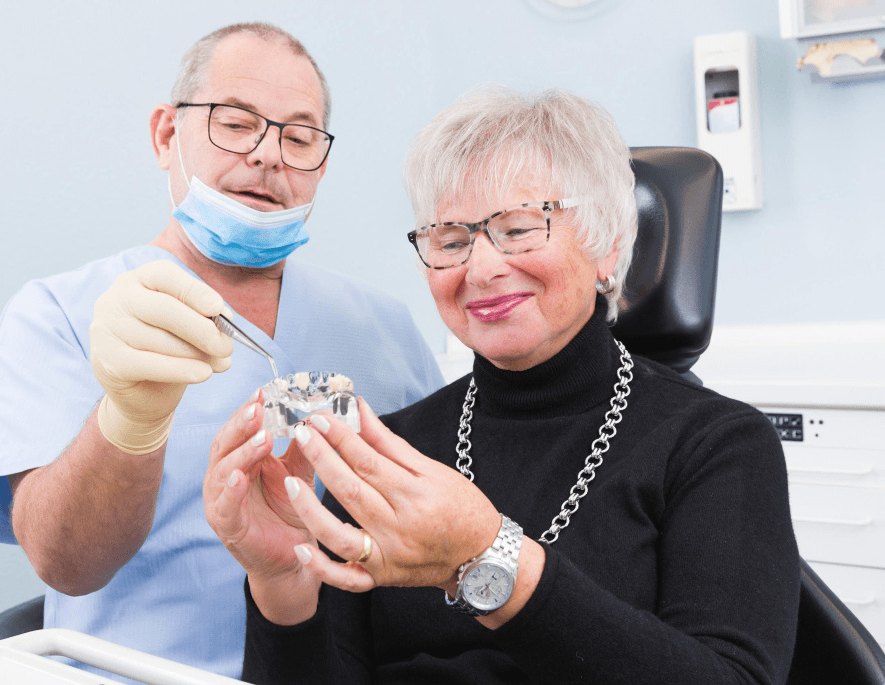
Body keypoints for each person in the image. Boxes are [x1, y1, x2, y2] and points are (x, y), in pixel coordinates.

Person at [204, 85, 800, 684]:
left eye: (518, 229)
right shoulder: (390, 452)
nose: (482, 269)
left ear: (607, 247)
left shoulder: (718, 445)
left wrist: (487, 558)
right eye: (452, 240)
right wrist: (285, 584)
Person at [0, 22, 443, 680]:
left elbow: (435, 540)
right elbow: (66, 561)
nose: (268, 156)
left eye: (298, 138)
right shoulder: (60, 314)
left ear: (320, 166)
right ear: (165, 135)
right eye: (235, 124)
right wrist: (130, 417)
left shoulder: (381, 327)